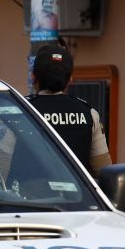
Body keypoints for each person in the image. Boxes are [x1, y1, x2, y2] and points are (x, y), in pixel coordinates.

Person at [28, 44, 111, 176]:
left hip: (29, 195)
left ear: (33, 77)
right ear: (70, 80)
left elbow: (1, 165)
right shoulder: (89, 114)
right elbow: (103, 169)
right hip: (78, 196)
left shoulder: (20, 111)